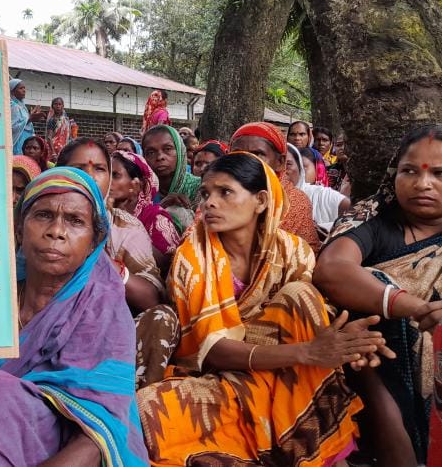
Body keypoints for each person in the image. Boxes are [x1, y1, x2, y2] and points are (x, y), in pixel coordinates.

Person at [136, 152, 386, 465]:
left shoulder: (293, 251)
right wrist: (307, 352)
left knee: (301, 295)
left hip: (286, 373)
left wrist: (350, 343)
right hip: (221, 374)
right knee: (149, 410)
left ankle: (321, 451)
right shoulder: (193, 257)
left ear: (261, 201)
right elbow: (214, 352)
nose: (210, 203)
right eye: (206, 193)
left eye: (225, 192)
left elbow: (310, 323)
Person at [0, 167, 148, 466]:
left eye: (75, 221)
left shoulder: (102, 308)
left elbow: (99, 434)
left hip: (59, 450)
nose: (56, 231)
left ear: (94, 242)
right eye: (43, 215)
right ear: (19, 229)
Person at [315, 125, 442, 465]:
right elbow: (332, 269)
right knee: (367, 289)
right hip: (369, 365)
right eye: (410, 171)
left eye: (439, 174)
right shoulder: (372, 219)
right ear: (394, 173)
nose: (423, 184)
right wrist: (410, 305)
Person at [56, 138, 164, 312]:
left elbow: (152, 298)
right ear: (59, 174)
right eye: (79, 169)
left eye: (99, 169)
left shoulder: (124, 226)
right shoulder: (42, 220)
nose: (90, 177)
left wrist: (102, 262)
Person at [230, 122, 321, 252]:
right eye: (237, 154)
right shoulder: (217, 191)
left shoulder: (294, 202)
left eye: (258, 154)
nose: (246, 161)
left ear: (280, 162)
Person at [110, 150, 181, 271]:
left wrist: (126, 226)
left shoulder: (155, 218)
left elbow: (169, 265)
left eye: (115, 175)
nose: (108, 180)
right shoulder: (103, 213)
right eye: (107, 174)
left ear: (138, 184)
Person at [141, 125, 200, 232]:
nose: (160, 157)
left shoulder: (199, 188)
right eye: (151, 152)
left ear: (180, 151)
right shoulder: (140, 191)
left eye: (167, 149)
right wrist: (159, 209)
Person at [286, 144, 350, 230]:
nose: (283, 171)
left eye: (288, 165)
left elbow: (351, 217)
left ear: (318, 169)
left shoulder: (324, 195)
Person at [10, 79, 45, 155]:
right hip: (18, 142)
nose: (24, 90)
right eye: (21, 88)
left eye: (24, 88)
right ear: (12, 91)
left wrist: (31, 116)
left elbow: (24, 121)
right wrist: (30, 119)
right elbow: (12, 127)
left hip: (26, 141)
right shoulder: (13, 106)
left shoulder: (22, 107)